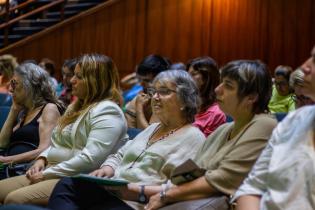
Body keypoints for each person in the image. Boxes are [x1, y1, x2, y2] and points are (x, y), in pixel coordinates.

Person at [47, 70, 206, 210]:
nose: (155, 97)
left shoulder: (193, 138)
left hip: (134, 202)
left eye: (164, 91)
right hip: (111, 189)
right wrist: (107, 168)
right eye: (154, 91)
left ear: (185, 100)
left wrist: (136, 189)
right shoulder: (152, 128)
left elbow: (179, 186)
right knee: (67, 185)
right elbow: (120, 154)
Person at [144, 60, 277, 210]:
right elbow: (191, 172)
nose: (217, 90)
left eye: (228, 86)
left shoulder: (265, 124)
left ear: (251, 97)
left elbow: (225, 179)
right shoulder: (223, 129)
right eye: (220, 83)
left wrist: (165, 196)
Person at [0, 54, 128, 205]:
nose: (72, 80)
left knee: (13, 199)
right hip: (52, 170)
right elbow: (56, 142)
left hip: (75, 179)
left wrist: (46, 173)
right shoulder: (75, 106)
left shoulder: (108, 111)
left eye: (79, 77)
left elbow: (90, 160)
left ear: (96, 81)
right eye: (74, 75)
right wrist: (42, 159)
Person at [233, 46, 315, 210]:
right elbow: (251, 188)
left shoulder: (271, 120)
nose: (304, 67)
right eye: (310, 57)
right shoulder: (292, 121)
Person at [0, 63, 64, 175]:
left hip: (27, 170)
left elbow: (45, 149)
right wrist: (14, 110)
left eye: (14, 83)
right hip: (10, 168)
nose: (10, 89)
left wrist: (7, 160)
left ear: (29, 85)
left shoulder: (49, 109)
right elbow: (2, 144)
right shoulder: (24, 112)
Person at [125, 54, 170, 129]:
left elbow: (150, 136)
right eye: (140, 79)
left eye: (147, 80)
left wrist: (139, 108)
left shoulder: (168, 100)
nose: (141, 84)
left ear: (163, 80)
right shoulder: (141, 96)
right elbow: (130, 132)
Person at [187, 56, 226, 137]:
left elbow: (207, 146)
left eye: (193, 74)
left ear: (207, 78)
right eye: (187, 74)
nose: (187, 79)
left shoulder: (216, 113)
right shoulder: (185, 103)